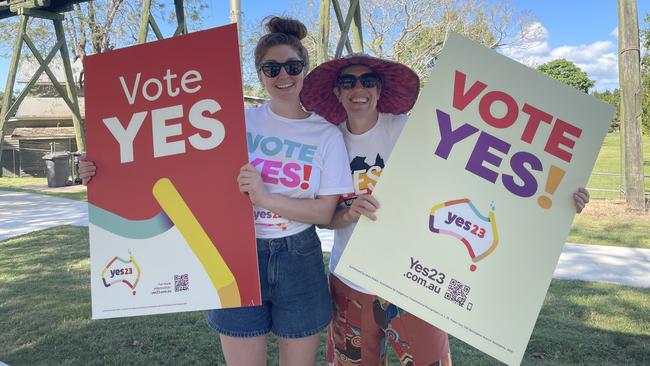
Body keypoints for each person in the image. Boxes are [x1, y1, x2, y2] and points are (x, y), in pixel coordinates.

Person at [81, 16, 353, 366]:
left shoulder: (326, 134)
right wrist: (103, 171)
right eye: (272, 69)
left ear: (305, 69)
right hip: (234, 253)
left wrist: (266, 198)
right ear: (260, 75)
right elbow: (165, 163)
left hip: (298, 258)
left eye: (292, 66)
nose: (283, 76)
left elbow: (323, 213)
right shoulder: (235, 121)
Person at [299, 54, 590, 366]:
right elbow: (325, 218)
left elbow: (486, 168)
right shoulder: (328, 142)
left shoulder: (412, 128)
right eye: (348, 82)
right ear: (337, 92)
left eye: (368, 81)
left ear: (380, 90)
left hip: (412, 277)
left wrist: (560, 194)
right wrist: (350, 213)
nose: (359, 89)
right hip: (350, 280)